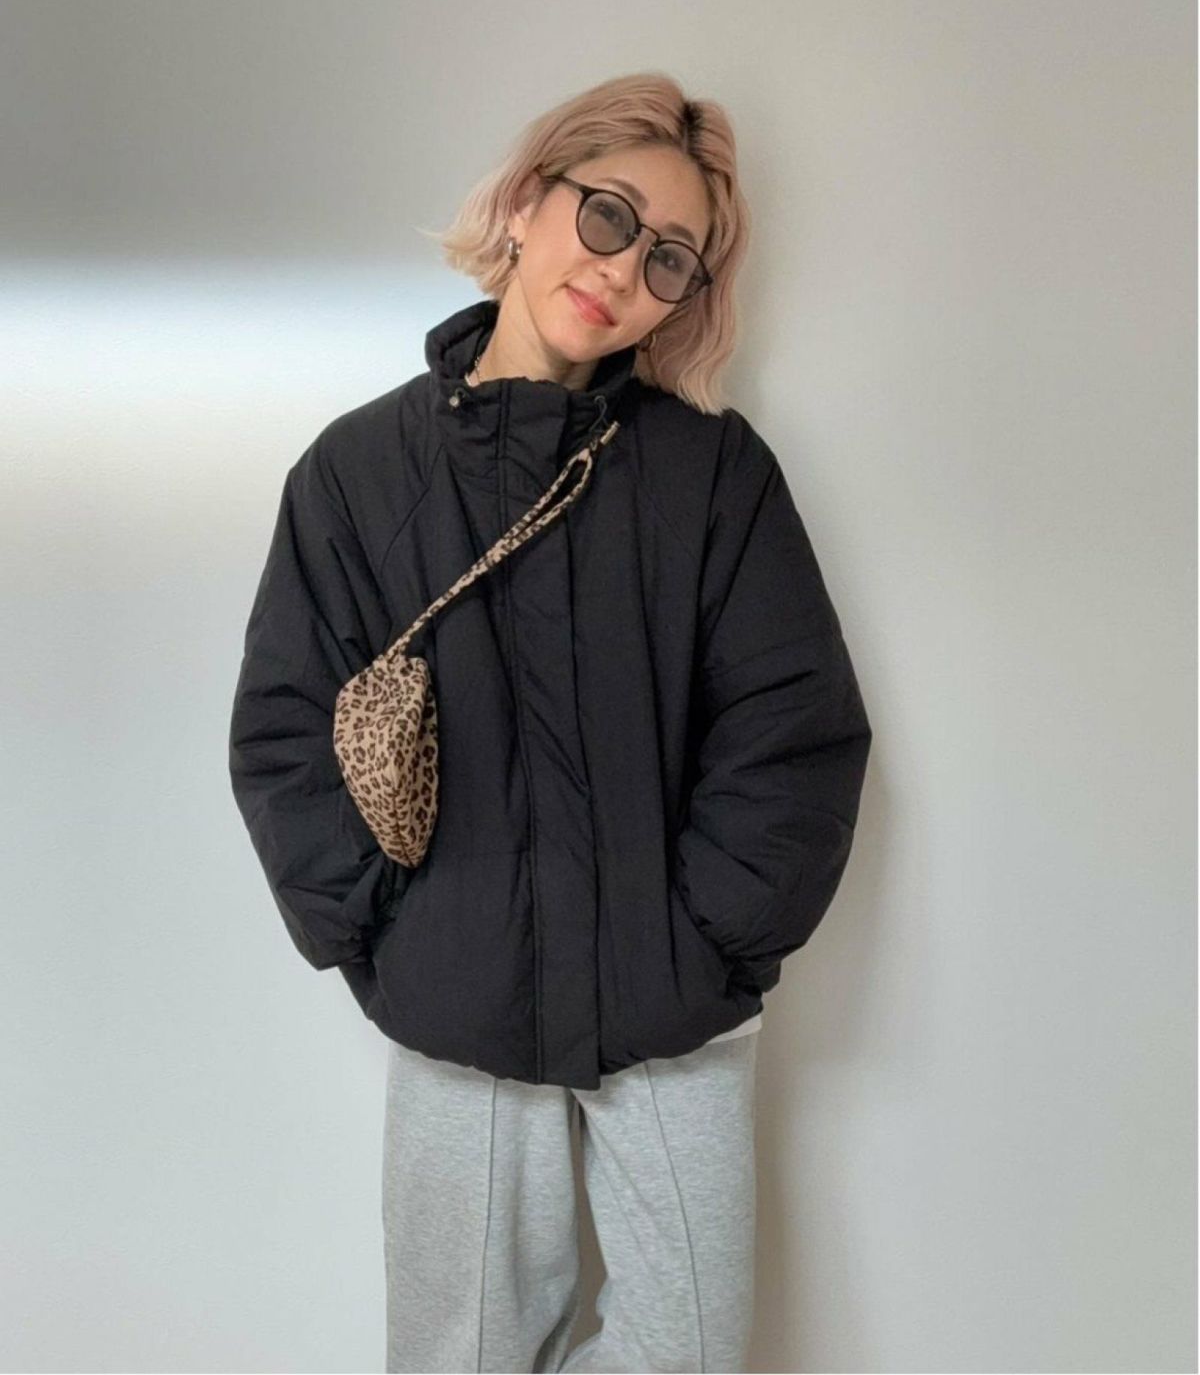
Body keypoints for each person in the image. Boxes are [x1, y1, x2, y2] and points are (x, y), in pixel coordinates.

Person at [228, 71, 873, 1373]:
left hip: (673, 1006)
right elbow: (285, 728)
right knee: (457, 1356)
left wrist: (708, 937)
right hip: (456, 1001)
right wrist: (390, 932)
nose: (624, 267)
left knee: (689, 1350)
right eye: (609, 214)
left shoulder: (713, 474)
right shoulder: (359, 474)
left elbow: (793, 731)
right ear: (527, 201)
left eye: (670, 255)